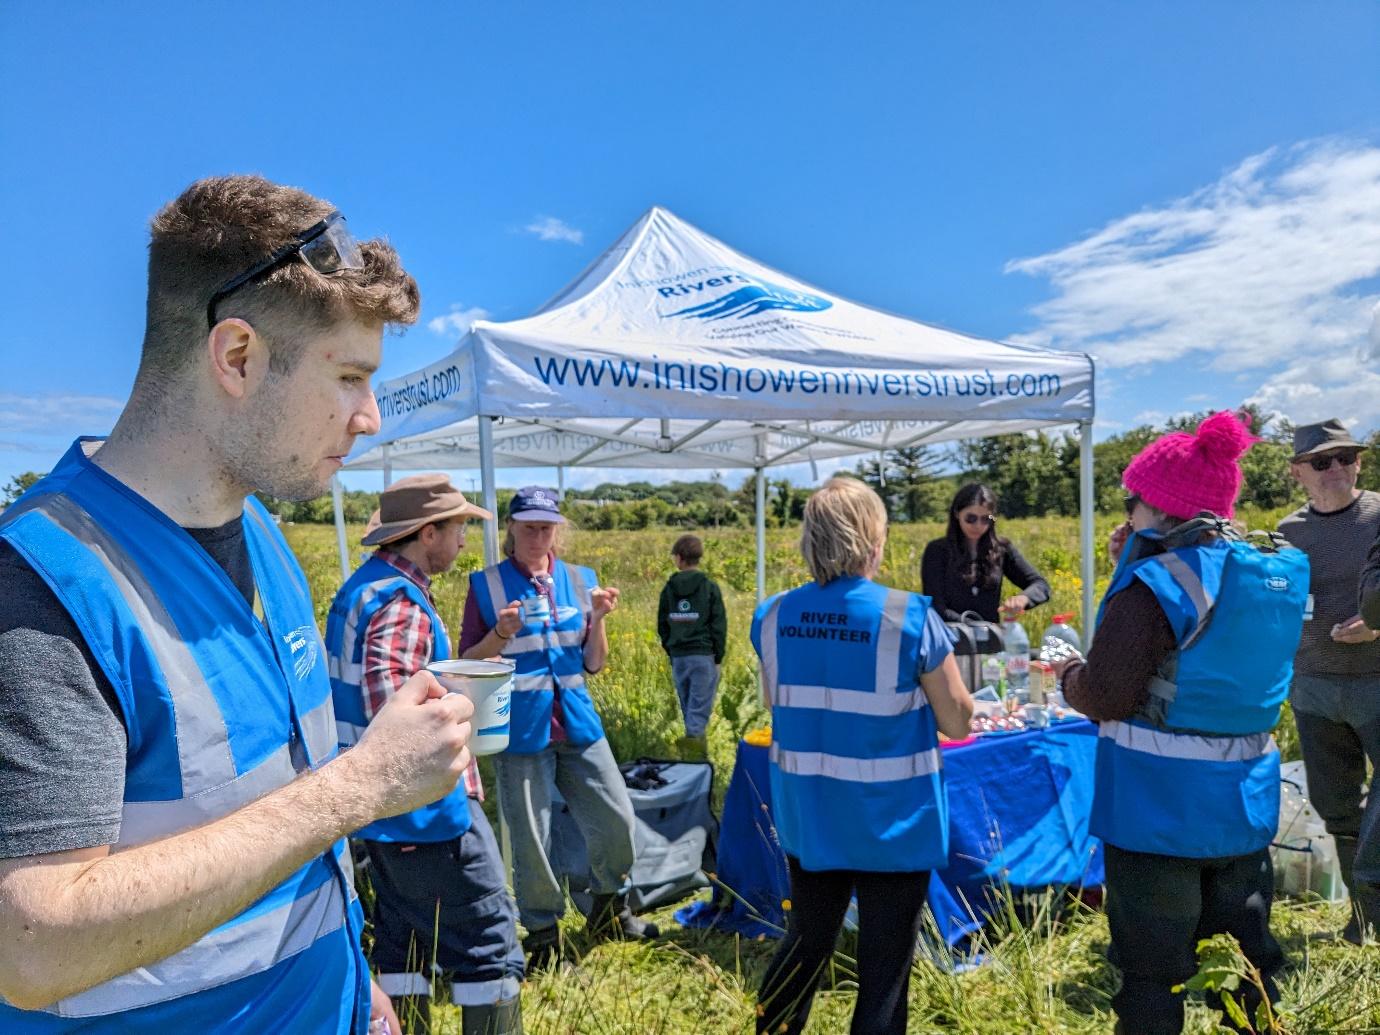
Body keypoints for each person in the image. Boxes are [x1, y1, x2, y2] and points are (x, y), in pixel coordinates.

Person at [0, 176, 475, 1032]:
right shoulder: (39, 581)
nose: (369, 416)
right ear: (237, 356)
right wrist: (363, 785)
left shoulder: (260, 535)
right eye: (349, 375)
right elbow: (32, 945)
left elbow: (275, 813)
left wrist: (352, 973)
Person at [1060, 411, 1308, 1034]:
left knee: (1151, 977)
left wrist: (1067, 676)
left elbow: (1108, 694)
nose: (1128, 511)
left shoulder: (1156, 586)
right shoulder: (1257, 576)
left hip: (1157, 813)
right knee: (1245, 969)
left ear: (1159, 506)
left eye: (1133, 500)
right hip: (1242, 810)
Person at [751, 476, 974, 1035]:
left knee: (807, 942)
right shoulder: (909, 617)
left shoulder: (773, 615)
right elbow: (957, 720)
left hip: (811, 814)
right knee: (884, 971)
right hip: (893, 822)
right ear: (874, 540)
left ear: (810, 541)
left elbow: (775, 700)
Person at [327, 474, 524, 1035]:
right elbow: (397, 715)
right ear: (428, 532)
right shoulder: (400, 605)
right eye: (459, 528)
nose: (464, 542)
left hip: (385, 817)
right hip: (427, 813)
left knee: (405, 943)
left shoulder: (365, 588)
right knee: (489, 944)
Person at [458, 487, 656, 969]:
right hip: (522, 730)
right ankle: (544, 933)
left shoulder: (580, 579)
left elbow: (593, 664)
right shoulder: (487, 585)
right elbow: (467, 661)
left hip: (577, 723)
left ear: (557, 530)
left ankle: (610, 907)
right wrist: (501, 634)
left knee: (616, 818)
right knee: (530, 835)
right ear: (510, 529)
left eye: (546, 527)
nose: (537, 536)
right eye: (528, 527)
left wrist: (601, 619)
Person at [1276, 418, 1380, 943]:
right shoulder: (1287, 534)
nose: (1337, 468)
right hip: (1314, 688)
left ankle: (1374, 911)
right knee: (1338, 806)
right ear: (1298, 473)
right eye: (1322, 461)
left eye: (1347, 457)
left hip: (1376, 682)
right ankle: (1363, 921)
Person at [921, 482, 1051, 624]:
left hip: (991, 639)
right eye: (971, 518)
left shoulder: (1001, 549)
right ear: (957, 513)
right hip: (951, 638)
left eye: (986, 519)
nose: (978, 526)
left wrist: (1023, 599)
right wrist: (975, 627)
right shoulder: (937, 551)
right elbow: (935, 606)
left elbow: (1040, 585)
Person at [657, 533, 728, 759]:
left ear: (679, 558)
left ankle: (691, 753)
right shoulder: (709, 587)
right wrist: (718, 656)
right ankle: (695, 760)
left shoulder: (669, 588)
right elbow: (718, 624)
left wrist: (671, 648)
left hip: (679, 656)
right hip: (703, 655)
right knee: (699, 709)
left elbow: (662, 624)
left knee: (688, 707)